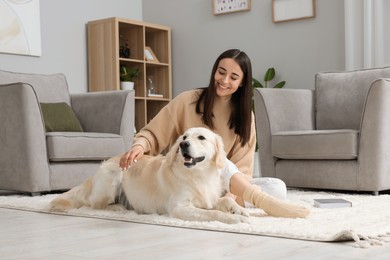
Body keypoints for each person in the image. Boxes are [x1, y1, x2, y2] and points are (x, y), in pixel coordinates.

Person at [120, 49, 309, 218]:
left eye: (234, 77)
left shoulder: (245, 116)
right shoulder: (187, 100)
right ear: (214, 71)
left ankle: (222, 202)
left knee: (277, 187)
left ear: (242, 82)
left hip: (220, 183)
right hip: (185, 178)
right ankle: (258, 201)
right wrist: (140, 145)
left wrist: (230, 197)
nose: (224, 81)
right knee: (219, 154)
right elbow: (154, 131)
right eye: (221, 72)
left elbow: (242, 168)